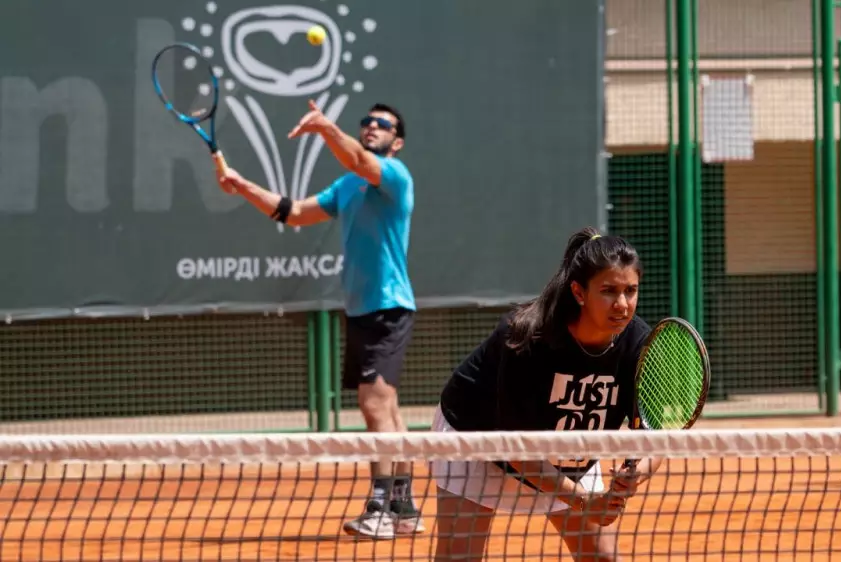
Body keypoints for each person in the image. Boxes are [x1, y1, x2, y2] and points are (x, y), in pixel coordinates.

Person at [213, 101, 423, 540]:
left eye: (382, 124)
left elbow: (358, 159)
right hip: (362, 309)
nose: (372, 127)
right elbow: (293, 212)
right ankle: (404, 508)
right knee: (387, 409)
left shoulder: (395, 175)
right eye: (367, 122)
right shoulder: (347, 185)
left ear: (397, 141)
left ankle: (380, 508)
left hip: (388, 305)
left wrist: (326, 128)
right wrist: (243, 186)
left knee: (374, 406)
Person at [429, 226, 663, 562]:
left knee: (603, 558)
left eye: (631, 290)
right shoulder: (528, 337)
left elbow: (654, 436)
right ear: (579, 292)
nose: (622, 304)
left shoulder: (639, 345)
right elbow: (516, 449)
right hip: (479, 440)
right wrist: (583, 500)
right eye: (608, 291)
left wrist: (639, 470)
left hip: (567, 449)